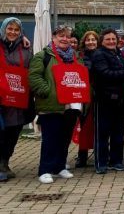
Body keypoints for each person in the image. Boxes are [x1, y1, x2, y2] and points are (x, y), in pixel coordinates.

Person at [29, 25, 86, 184]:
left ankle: (59, 166)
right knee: (50, 138)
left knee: (64, 138)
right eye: (61, 36)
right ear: (54, 37)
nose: (64, 39)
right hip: (51, 104)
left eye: (67, 36)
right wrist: (48, 91)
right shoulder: (43, 55)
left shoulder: (75, 56)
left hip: (72, 105)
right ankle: (45, 170)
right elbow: (34, 77)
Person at [91, 29, 124, 174]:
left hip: (122, 100)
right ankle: (101, 163)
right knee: (102, 134)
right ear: (102, 41)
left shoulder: (122, 54)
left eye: (113, 39)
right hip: (104, 100)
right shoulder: (98, 54)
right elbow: (105, 74)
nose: (111, 42)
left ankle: (116, 161)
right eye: (108, 39)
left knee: (119, 133)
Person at [0, 17, 33, 181]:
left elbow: (30, 70)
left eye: (16, 30)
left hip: (17, 98)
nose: (12, 32)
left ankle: (4, 162)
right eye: (9, 29)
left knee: (13, 132)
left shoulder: (26, 49)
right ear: (3, 29)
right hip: (0, 98)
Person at [74, 30, 99, 168]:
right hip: (84, 95)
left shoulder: (103, 54)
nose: (91, 42)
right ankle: (82, 156)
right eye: (88, 40)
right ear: (84, 42)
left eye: (93, 40)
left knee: (98, 127)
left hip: (100, 94)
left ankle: (99, 154)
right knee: (84, 125)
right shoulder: (79, 56)